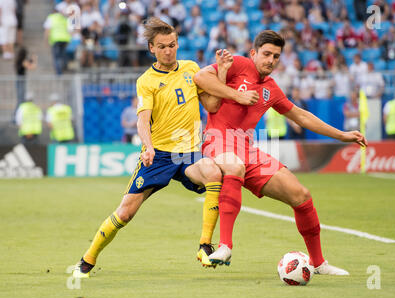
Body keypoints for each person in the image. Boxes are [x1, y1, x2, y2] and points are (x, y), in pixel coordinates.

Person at [71, 18, 254, 278]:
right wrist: (147, 147)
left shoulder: (192, 68)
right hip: (159, 156)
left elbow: (212, 105)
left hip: (189, 153)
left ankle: (204, 246)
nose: (169, 50)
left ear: (177, 44)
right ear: (151, 49)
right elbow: (142, 119)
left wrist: (222, 71)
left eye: (172, 45)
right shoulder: (146, 81)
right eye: (162, 46)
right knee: (125, 213)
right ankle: (87, 260)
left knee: (213, 173)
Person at [194, 30, 367, 274]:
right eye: (266, 54)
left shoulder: (272, 89)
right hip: (217, 142)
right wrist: (237, 95)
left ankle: (318, 263)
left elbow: (302, 116)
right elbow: (200, 77)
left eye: (276, 56)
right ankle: (225, 246)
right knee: (234, 166)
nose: (271, 60)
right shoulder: (239, 64)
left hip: (247, 150)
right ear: (254, 53)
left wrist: (342, 135)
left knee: (301, 195)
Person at [43, 8, 71, 75]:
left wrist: (46, 40)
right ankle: (64, 69)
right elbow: (69, 30)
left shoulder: (51, 18)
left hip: (55, 39)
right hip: (65, 39)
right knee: (62, 55)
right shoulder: (64, 18)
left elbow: (47, 30)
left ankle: (59, 72)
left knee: (56, 57)